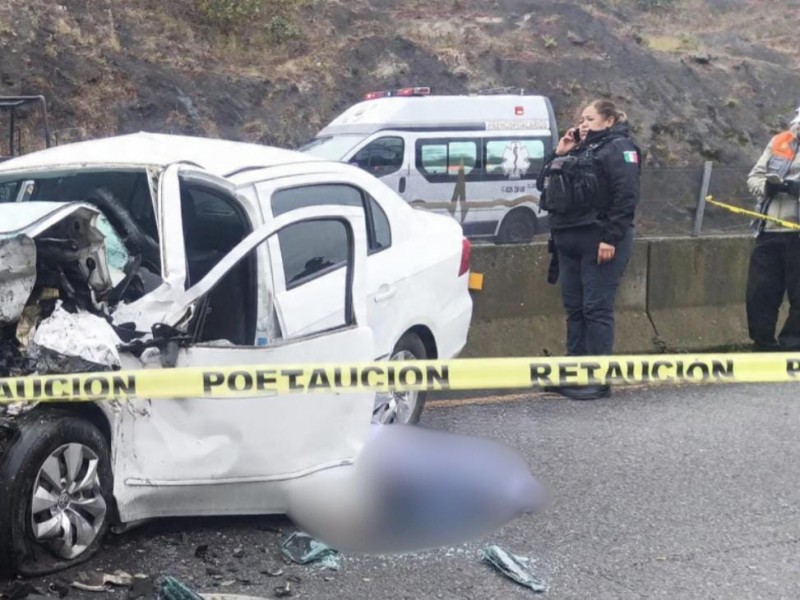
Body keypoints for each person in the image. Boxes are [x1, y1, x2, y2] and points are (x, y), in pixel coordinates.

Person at [537, 99, 641, 400]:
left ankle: (598, 379)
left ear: (609, 121)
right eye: (582, 119)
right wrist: (559, 153)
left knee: (596, 308)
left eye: (591, 119)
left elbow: (626, 196)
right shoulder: (577, 149)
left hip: (599, 240)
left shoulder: (620, 148)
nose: (584, 124)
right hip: (568, 239)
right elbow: (543, 184)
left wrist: (611, 238)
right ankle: (574, 373)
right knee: (575, 308)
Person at [745, 106, 800, 351]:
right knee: (760, 293)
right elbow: (754, 177)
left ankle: (792, 346)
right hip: (768, 230)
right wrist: (768, 187)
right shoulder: (779, 141)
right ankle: (763, 344)